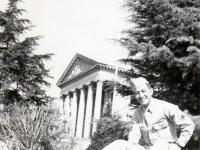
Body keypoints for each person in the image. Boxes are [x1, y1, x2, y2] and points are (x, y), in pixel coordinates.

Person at [102, 77, 194, 150]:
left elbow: (189, 124)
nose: (141, 96)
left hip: (166, 147)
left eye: (143, 91)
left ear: (151, 91)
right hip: (149, 148)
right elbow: (134, 137)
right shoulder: (137, 114)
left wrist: (178, 145)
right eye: (137, 93)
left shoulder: (166, 107)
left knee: (160, 144)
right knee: (119, 144)